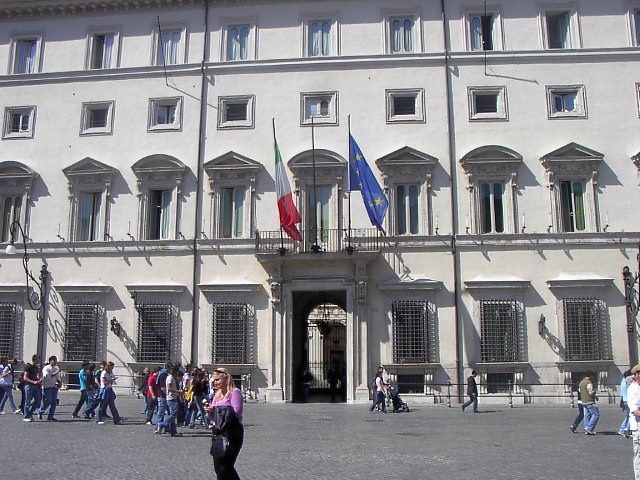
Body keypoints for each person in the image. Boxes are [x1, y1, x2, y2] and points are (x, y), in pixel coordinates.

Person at [206, 367, 244, 480]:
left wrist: (218, 409)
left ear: (226, 379)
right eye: (214, 380)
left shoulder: (235, 393)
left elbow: (236, 414)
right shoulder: (217, 395)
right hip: (219, 432)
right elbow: (214, 418)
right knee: (218, 467)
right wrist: (210, 412)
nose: (214, 382)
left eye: (217, 379)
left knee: (226, 466)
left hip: (232, 433)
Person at [157, 365, 183, 437]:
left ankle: (173, 431)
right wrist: (178, 391)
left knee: (172, 414)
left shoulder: (172, 378)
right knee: (173, 414)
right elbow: (168, 388)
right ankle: (162, 424)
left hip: (173, 397)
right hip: (171, 398)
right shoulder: (170, 378)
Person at [38, 355, 61, 421]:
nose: (55, 362)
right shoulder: (46, 368)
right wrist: (56, 372)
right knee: (48, 401)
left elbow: (57, 378)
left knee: (54, 402)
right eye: (54, 360)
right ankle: (40, 411)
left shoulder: (56, 368)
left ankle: (50, 416)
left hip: (54, 386)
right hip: (47, 387)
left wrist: (59, 382)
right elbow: (47, 376)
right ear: (50, 361)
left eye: (56, 360)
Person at [627, 364, 640, 480]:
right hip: (638, 426)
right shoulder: (633, 389)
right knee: (639, 455)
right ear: (636, 375)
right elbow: (634, 410)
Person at [22, 355, 41, 422]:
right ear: (34, 360)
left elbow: (36, 376)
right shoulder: (28, 367)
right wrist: (33, 382)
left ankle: (30, 413)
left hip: (35, 386)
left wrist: (39, 379)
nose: (39, 361)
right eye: (38, 359)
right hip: (29, 386)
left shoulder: (36, 368)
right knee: (27, 401)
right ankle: (26, 416)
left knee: (38, 400)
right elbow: (25, 378)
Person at [621, 369, 633, 438]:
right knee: (631, 416)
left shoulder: (623, 381)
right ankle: (626, 429)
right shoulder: (628, 381)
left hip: (625, 400)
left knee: (628, 416)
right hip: (628, 400)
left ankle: (622, 429)